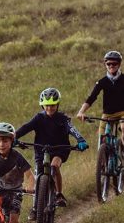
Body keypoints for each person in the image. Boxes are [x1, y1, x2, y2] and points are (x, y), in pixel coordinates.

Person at [15, 87, 88, 216]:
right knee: (38, 177)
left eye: (53, 105)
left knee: (54, 166)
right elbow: (26, 127)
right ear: (43, 105)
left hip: (60, 149)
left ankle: (59, 194)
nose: (49, 108)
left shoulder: (63, 118)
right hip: (41, 150)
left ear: (57, 104)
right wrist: (14, 138)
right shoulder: (38, 118)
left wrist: (80, 139)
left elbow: (72, 129)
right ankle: (35, 208)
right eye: (47, 105)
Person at [76, 50, 124, 167]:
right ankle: (103, 166)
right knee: (102, 139)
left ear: (119, 64)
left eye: (114, 64)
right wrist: (81, 112)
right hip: (107, 115)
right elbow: (91, 98)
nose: (111, 66)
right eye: (108, 64)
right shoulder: (102, 82)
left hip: (123, 112)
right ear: (105, 64)